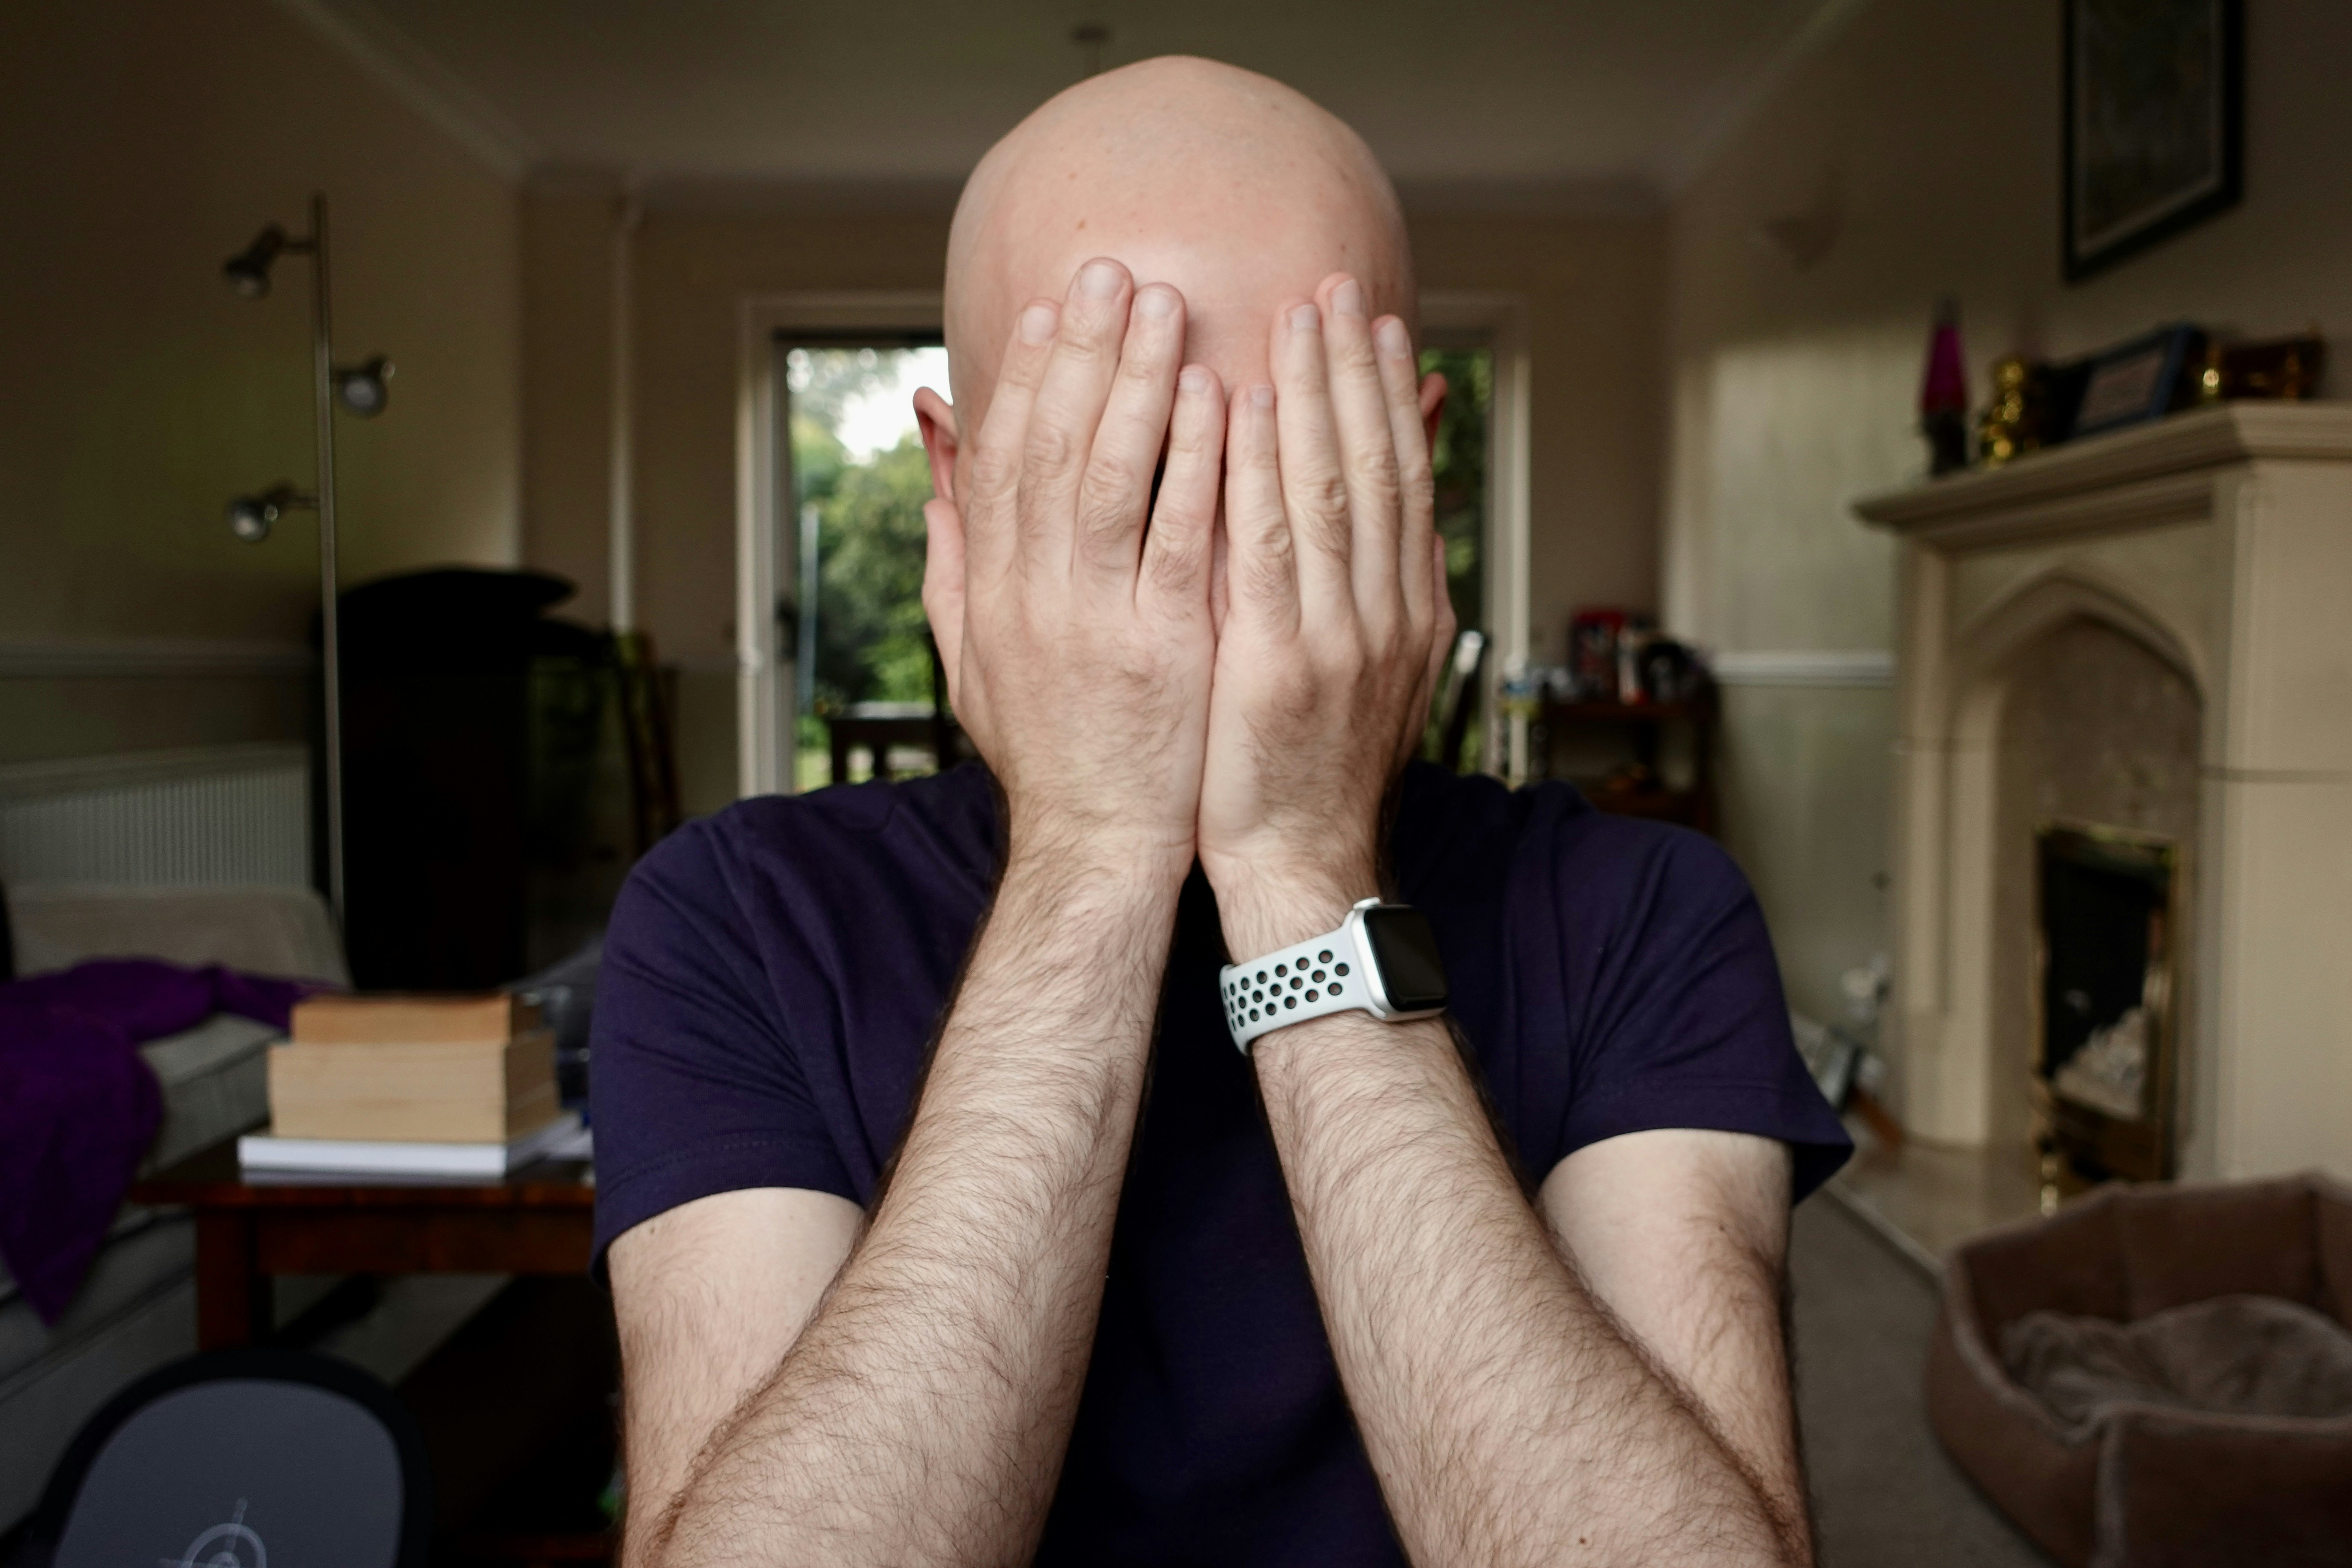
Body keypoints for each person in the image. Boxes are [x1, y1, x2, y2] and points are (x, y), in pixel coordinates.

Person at [592, 56, 1848, 1568]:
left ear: (1406, 474)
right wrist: (1090, 854)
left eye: (1285, 467)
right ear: (962, 484)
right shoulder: (731, 917)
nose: (1202, 552)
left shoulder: (1650, 912)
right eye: (1119, 468)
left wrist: (1299, 867)